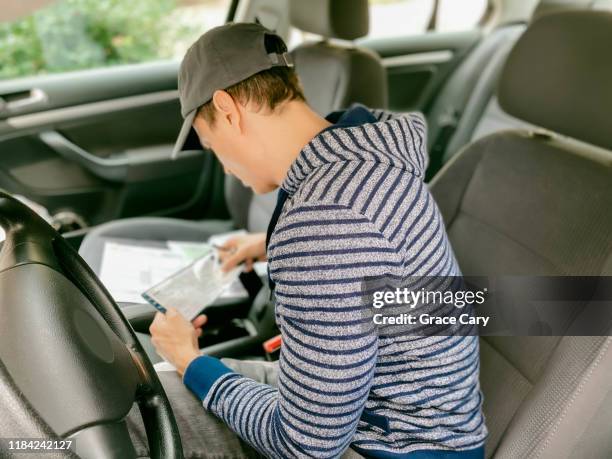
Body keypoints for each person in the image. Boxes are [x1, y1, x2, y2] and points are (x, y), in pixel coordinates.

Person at [129, 22, 487, 458]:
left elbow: (305, 446)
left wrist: (191, 361)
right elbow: (363, 257)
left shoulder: (324, 221)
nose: (223, 166)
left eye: (211, 144)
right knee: (146, 395)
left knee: (139, 416)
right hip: (404, 416)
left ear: (227, 108)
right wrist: (269, 241)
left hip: (388, 446)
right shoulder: (366, 157)